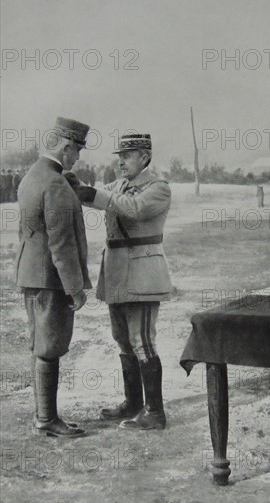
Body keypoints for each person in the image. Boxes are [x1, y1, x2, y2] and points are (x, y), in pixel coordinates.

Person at [75, 133, 172, 430]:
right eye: (120, 156)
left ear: (144, 157)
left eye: (126, 156)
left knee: (142, 341)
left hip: (143, 274)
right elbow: (97, 197)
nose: (120, 161)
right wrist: (70, 183)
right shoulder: (117, 186)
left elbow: (134, 208)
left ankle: (154, 412)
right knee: (122, 339)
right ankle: (133, 402)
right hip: (117, 271)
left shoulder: (158, 188)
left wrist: (90, 193)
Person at [15, 116, 92, 437]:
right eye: (75, 151)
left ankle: (44, 416)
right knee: (51, 346)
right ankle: (47, 419)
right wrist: (75, 289)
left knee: (41, 343)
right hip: (52, 279)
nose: (77, 158)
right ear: (65, 147)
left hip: (32, 274)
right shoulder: (55, 183)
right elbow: (61, 243)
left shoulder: (31, 176)